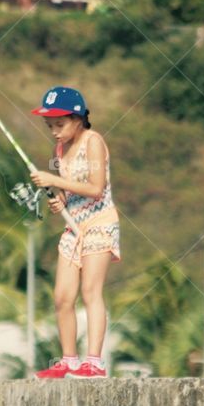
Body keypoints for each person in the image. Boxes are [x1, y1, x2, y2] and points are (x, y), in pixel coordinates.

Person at [28, 86, 120, 379]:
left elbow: (95, 188)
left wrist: (54, 179)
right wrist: (60, 201)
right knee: (62, 297)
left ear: (78, 118)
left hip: (100, 224)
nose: (54, 131)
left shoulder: (93, 142)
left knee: (91, 291)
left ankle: (94, 362)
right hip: (74, 227)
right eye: (49, 126)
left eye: (60, 124)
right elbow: (71, 189)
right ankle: (69, 360)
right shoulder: (60, 149)